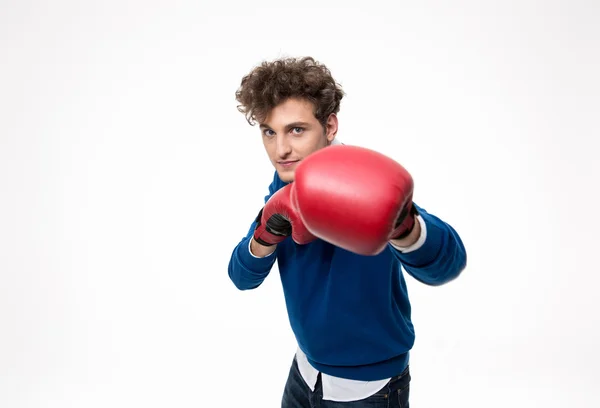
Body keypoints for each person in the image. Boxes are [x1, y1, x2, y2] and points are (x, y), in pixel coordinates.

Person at [228, 56, 467, 408]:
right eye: (269, 131)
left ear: (330, 126)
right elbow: (241, 277)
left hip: (368, 389)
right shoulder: (283, 183)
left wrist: (404, 226)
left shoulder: (361, 181)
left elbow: (448, 262)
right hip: (305, 372)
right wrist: (265, 235)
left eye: (296, 129)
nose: (281, 150)